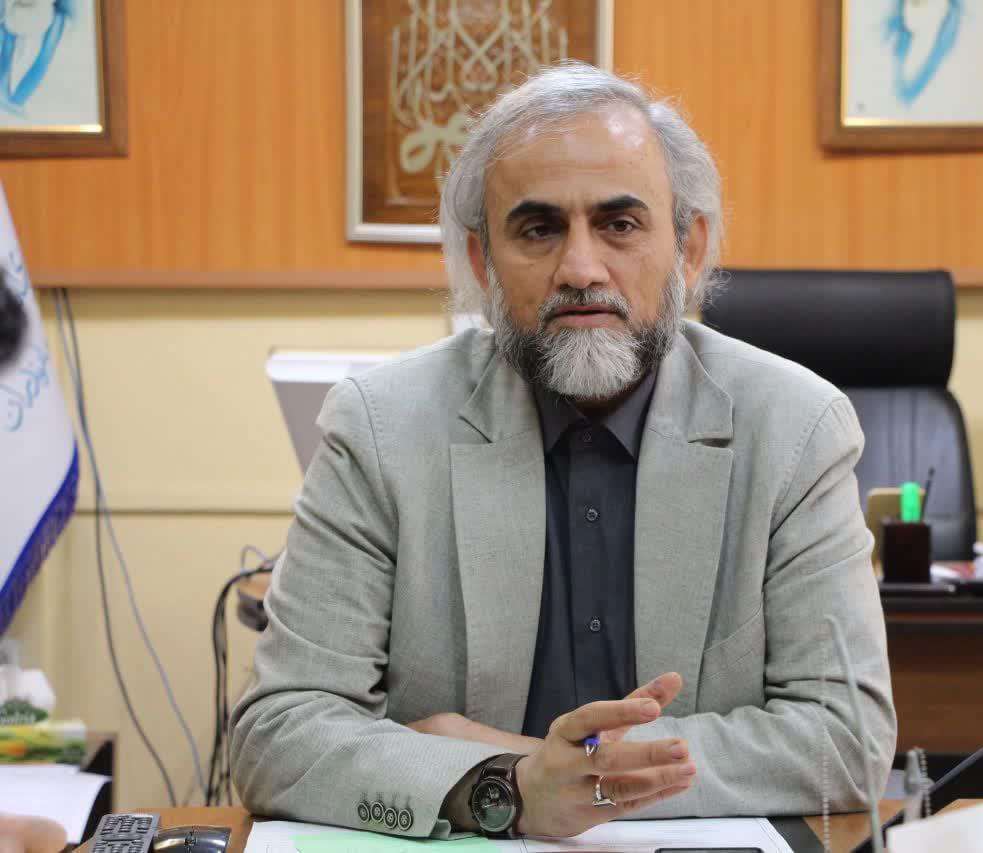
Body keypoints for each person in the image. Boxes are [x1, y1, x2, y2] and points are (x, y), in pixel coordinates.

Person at [231, 61, 895, 841]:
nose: (580, 268)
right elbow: (277, 731)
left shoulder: (794, 428)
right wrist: (511, 788)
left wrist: (533, 767)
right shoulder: (381, 428)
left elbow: (846, 739)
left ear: (688, 250)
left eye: (620, 224)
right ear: (481, 263)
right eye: (538, 229)